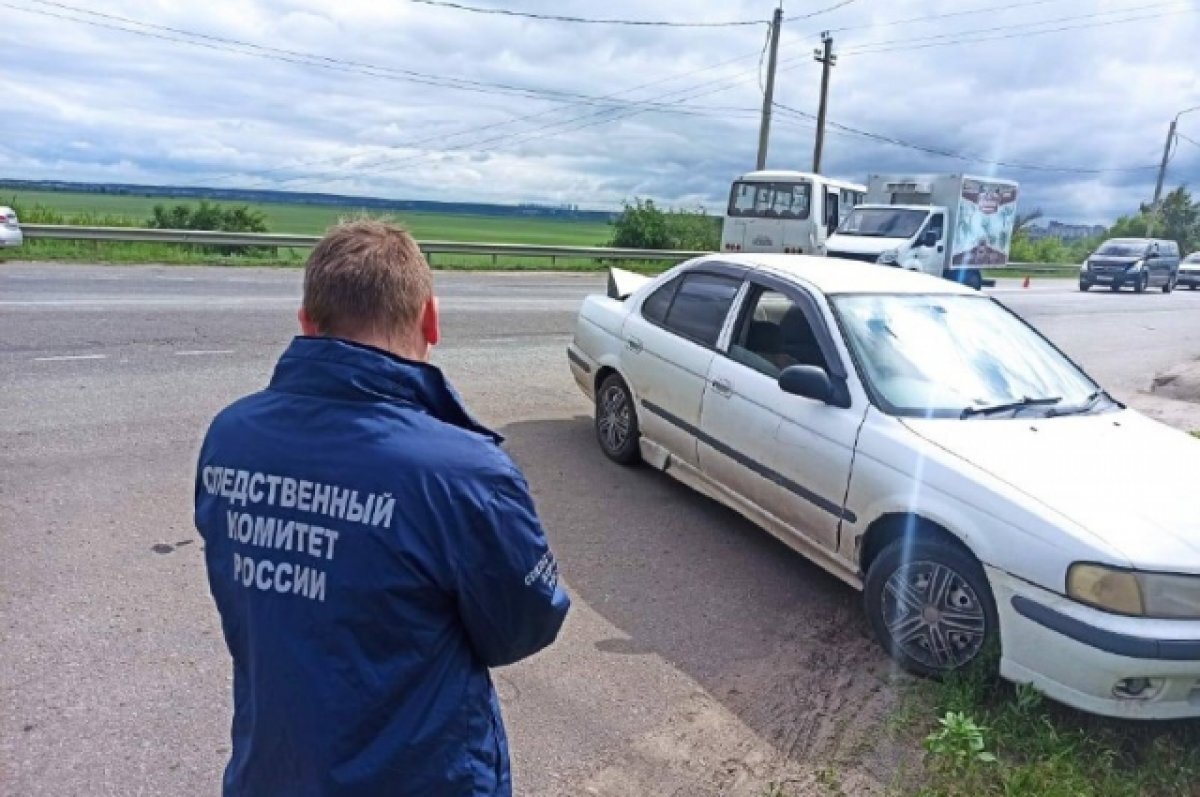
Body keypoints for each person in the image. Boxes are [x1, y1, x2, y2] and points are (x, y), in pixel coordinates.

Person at [193, 220, 570, 796]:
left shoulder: (230, 435)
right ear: (430, 319)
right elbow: (520, 627)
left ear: (307, 324)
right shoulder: (465, 473)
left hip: (271, 773)